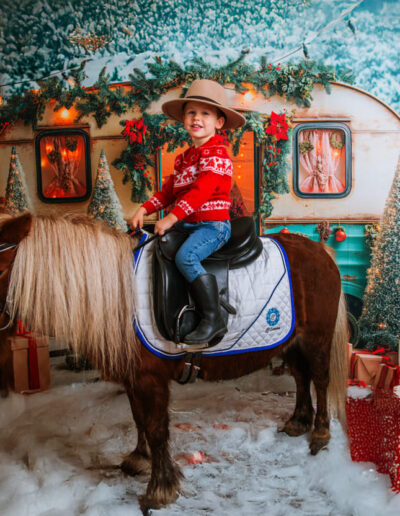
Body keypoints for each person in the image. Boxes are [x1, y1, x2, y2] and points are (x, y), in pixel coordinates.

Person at [131, 79, 246, 346]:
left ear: (219, 122)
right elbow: (168, 192)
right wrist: (144, 208)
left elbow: (200, 193)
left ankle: (212, 317)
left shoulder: (217, 153)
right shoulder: (184, 158)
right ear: (184, 118)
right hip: (189, 224)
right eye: (191, 112)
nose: (197, 118)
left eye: (205, 113)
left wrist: (170, 218)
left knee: (187, 257)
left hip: (212, 226)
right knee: (153, 245)